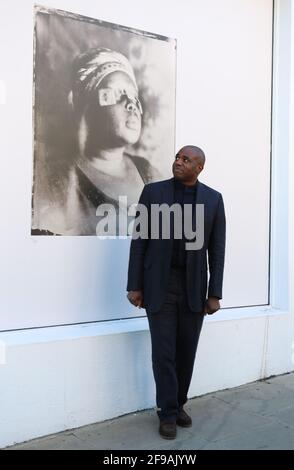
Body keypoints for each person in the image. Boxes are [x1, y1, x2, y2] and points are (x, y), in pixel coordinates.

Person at [127, 145, 226, 439]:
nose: (178, 162)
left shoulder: (213, 199)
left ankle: (179, 402)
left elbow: (217, 250)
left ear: (200, 167)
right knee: (164, 353)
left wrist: (214, 293)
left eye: (186, 159)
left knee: (186, 351)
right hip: (161, 284)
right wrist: (134, 285)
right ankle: (167, 412)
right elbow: (139, 241)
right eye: (177, 157)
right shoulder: (153, 193)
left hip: (194, 287)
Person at [32, 47, 160, 235]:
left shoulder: (150, 173)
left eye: (134, 96)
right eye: (117, 94)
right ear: (87, 107)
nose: (131, 104)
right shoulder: (55, 183)